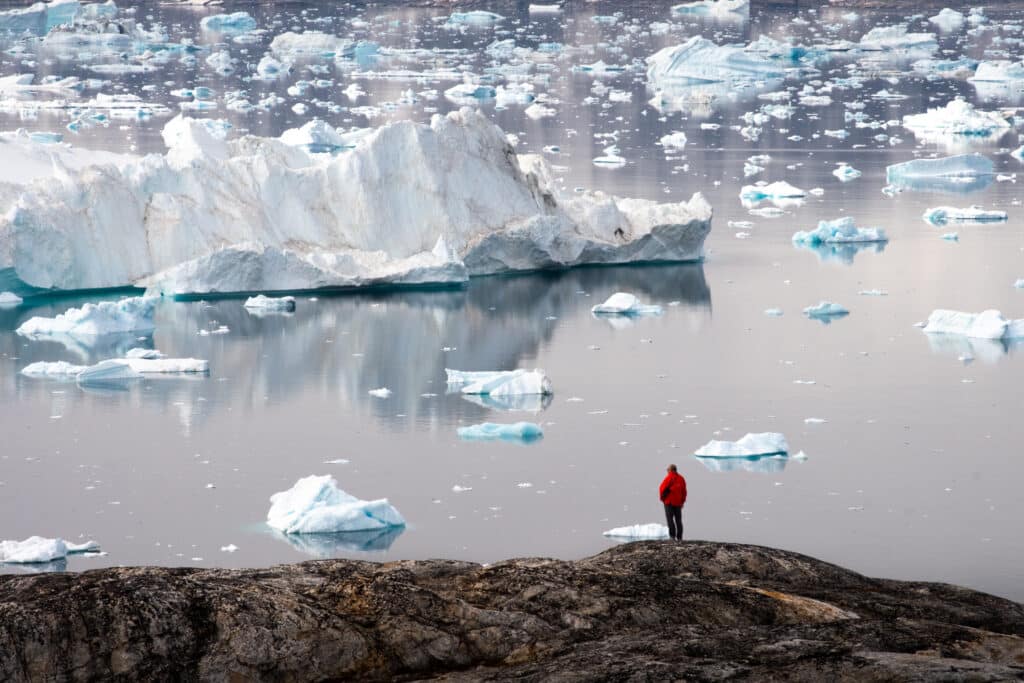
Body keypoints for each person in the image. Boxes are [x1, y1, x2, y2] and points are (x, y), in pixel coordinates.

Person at [659, 464, 687, 541]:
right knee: (678, 520)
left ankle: (672, 536)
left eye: (667, 469)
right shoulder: (681, 479)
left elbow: (662, 488)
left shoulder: (668, 478)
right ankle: (680, 537)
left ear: (671, 470)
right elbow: (684, 492)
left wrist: (662, 499)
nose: (667, 471)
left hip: (669, 502)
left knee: (670, 519)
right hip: (678, 503)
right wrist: (682, 501)